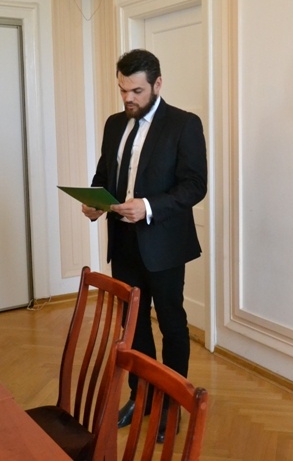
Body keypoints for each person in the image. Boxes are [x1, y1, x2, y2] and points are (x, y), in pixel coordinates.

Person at [81, 49, 207, 442]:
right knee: (132, 325)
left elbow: (195, 185)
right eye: (123, 90)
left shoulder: (184, 124)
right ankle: (142, 396)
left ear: (157, 84)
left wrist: (149, 207)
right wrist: (95, 202)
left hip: (164, 244)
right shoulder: (114, 123)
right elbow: (105, 174)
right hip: (123, 241)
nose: (128, 98)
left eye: (136, 91)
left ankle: (172, 402)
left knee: (171, 323)